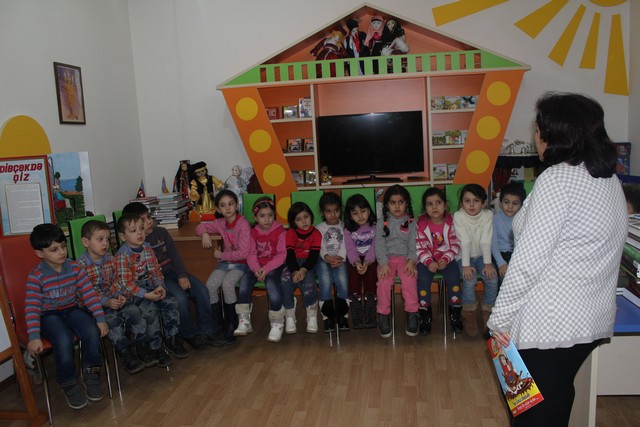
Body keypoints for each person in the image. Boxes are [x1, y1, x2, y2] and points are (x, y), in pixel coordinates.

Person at [488, 92, 627, 426]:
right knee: (557, 395)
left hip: (548, 324)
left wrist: (499, 320)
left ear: (555, 135)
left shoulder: (558, 180)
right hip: (589, 320)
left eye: (538, 130)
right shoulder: (608, 179)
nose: (535, 137)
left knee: (533, 413)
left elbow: (528, 262)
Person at [25, 224, 108, 410]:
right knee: (63, 339)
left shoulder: (75, 267)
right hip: (48, 315)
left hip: (71, 309)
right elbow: (31, 308)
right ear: (40, 253)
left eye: (63, 246)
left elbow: (89, 295)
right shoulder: (36, 276)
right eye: (54, 250)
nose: (62, 252)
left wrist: (100, 319)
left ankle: (91, 375)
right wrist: (34, 336)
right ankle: (68, 382)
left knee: (92, 331)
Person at [122, 202, 215, 351]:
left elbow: (175, 256)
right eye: (143, 221)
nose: (149, 222)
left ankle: (208, 331)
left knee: (202, 290)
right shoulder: (137, 244)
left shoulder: (162, 232)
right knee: (180, 299)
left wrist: (182, 275)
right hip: (160, 279)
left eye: (149, 217)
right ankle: (190, 334)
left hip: (174, 272)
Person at [115, 213, 188, 366]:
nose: (139, 233)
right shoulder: (122, 256)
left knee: (171, 302)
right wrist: (146, 295)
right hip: (133, 293)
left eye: (141, 228)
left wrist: (160, 285)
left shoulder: (147, 248)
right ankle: (156, 347)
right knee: (151, 310)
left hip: (150, 286)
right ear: (123, 236)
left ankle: (172, 338)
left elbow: (155, 270)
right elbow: (126, 284)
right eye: (133, 230)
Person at [79, 220, 149, 375]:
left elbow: (117, 281)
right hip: (96, 307)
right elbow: (85, 293)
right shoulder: (81, 266)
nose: (105, 243)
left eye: (107, 239)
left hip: (114, 299)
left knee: (135, 313)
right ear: (85, 242)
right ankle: (125, 352)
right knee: (113, 322)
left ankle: (142, 346)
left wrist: (119, 295)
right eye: (100, 239)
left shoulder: (110, 259)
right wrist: (106, 301)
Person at [196, 189, 251, 346]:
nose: (227, 208)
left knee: (227, 284)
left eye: (231, 204)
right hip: (226, 263)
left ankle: (231, 326)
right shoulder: (220, 223)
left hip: (242, 263)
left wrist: (222, 255)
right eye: (223, 205)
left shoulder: (243, 224)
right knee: (210, 285)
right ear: (218, 209)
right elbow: (199, 227)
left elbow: (243, 253)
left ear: (237, 205)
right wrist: (204, 234)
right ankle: (218, 326)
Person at [236, 197, 286, 341]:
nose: (267, 219)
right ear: (255, 217)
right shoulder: (253, 233)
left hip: (274, 266)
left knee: (272, 285)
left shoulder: (280, 231)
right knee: (244, 283)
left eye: (270, 215)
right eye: (262, 216)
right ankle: (244, 320)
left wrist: (266, 269)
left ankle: (277, 322)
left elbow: (282, 255)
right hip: (256, 266)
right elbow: (251, 254)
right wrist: (257, 269)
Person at [415, 187, 462, 336]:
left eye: (438, 202)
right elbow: (419, 247)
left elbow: (456, 244)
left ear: (445, 205)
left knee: (454, 277)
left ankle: (455, 312)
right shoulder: (420, 225)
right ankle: (425, 315)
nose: (434, 207)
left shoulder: (452, 222)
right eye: (429, 204)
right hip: (426, 260)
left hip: (447, 259)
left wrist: (446, 258)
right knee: (422, 279)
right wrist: (428, 261)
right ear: (425, 208)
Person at [453, 184, 498, 338]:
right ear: (461, 203)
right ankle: (469, 313)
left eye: (476, 201)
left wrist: (487, 263)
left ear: (483, 203)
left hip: (483, 256)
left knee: (492, 278)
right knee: (469, 278)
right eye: (467, 201)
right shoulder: (458, 216)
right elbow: (464, 241)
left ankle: (488, 312)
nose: (471, 205)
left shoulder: (488, 215)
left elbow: (486, 240)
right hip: (463, 257)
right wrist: (465, 266)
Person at [375, 184, 419, 338]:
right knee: (384, 282)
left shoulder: (412, 222)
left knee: (409, 279)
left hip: (406, 259)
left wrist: (411, 261)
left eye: (401, 202)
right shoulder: (382, 222)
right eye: (393, 203)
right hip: (387, 260)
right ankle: (383, 315)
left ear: (406, 203)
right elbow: (379, 245)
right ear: (387, 205)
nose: (397, 206)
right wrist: (383, 263)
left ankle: (412, 313)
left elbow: (414, 245)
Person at [281, 201, 322, 334]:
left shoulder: (316, 233)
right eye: (299, 219)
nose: (304, 221)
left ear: (311, 216)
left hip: (309, 264)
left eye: (306, 217)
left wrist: (303, 270)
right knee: (285, 281)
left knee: (308, 282)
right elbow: (290, 255)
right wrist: (294, 271)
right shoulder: (290, 233)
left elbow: (313, 256)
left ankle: (311, 313)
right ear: (293, 222)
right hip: (293, 263)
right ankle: (289, 314)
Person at [316, 192, 349, 333]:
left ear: (340, 210)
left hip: (341, 259)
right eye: (328, 211)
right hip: (324, 259)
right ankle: (327, 316)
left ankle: (343, 315)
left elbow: (347, 243)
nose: (333, 215)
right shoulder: (319, 228)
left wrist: (340, 257)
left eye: (336, 210)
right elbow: (319, 245)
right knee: (325, 281)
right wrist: (327, 257)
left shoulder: (345, 226)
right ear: (322, 212)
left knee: (342, 280)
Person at [343, 194, 377, 329]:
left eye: (363, 211)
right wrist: (357, 263)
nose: (360, 215)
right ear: (350, 216)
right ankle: (356, 309)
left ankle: (370, 311)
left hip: (371, 259)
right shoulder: (348, 230)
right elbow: (350, 249)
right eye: (355, 213)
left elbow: (375, 247)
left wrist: (367, 262)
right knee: (353, 277)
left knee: (371, 275)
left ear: (369, 211)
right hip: (355, 259)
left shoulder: (375, 227)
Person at [491, 181, 526, 281]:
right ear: (500, 202)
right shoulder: (495, 219)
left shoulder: (524, 219)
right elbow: (493, 244)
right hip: (500, 254)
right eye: (506, 202)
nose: (510, 206)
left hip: (518, 254)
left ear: (522, 204)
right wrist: (501, 263)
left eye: (515, 203)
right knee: (504, 277)